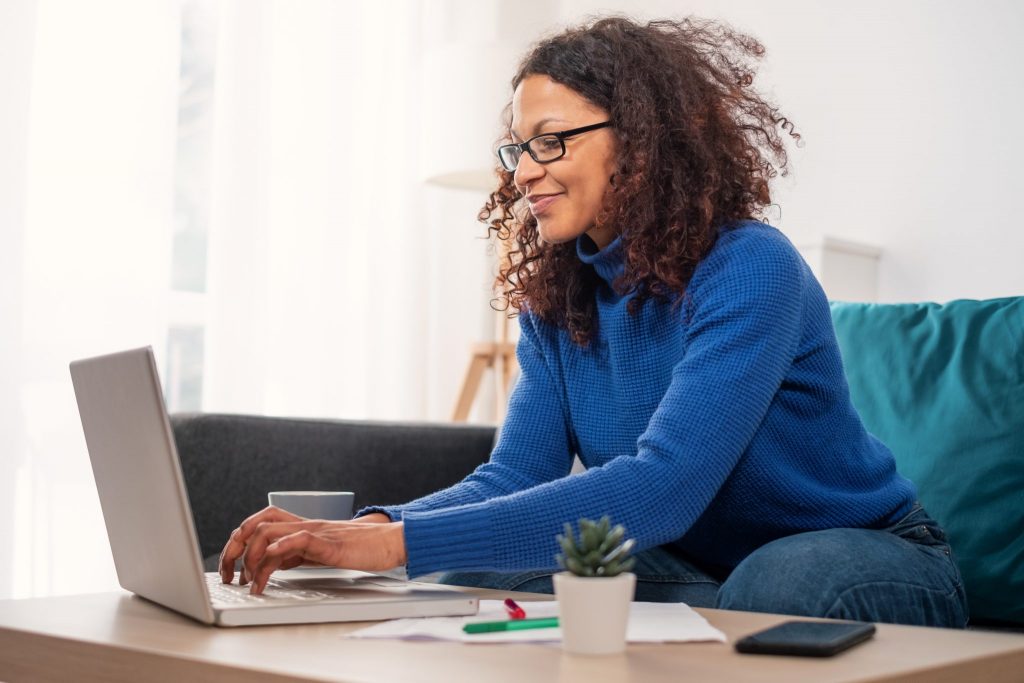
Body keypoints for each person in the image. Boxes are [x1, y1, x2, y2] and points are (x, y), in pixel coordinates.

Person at [219, 17, 968, 628]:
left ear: (640, 144)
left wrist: (389, 543)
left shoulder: (749, 265)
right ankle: (707, 628)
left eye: (552, 140)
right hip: (704, 568)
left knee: (778, 582)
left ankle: (711, 624)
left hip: (864, 555)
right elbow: (514, 475)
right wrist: (372, 527)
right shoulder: (559, 296)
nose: (522, 171)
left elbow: (661, 487)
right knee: (480, 565)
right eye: (518, 147)